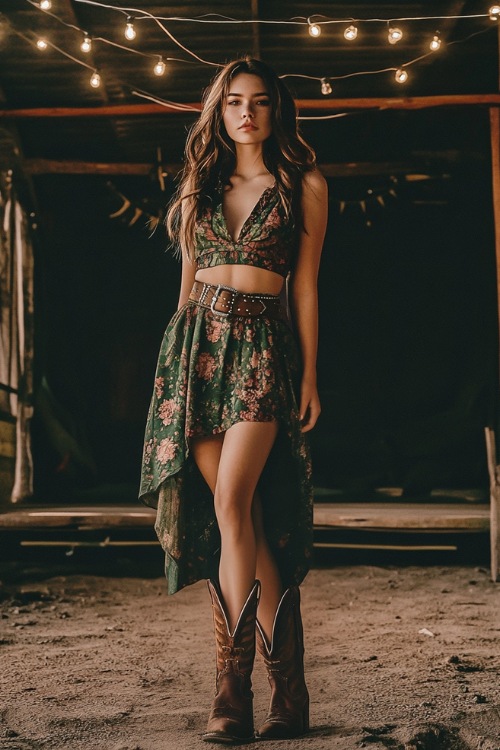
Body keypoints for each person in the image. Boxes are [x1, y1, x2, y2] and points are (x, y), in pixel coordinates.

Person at [139, 57, 328, 744]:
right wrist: (174, 376)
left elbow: (305, 287)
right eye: (233, 103)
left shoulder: (303, 183)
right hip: (196, 349)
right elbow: (186, 288)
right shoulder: (199, 182)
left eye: (260, 103)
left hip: (261, 347)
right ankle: (290, 695)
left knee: (231, 503)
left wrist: (308, 376)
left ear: (277, 111)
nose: (246, 113)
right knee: (239, 515)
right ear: (218, 112)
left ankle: (230, 693)